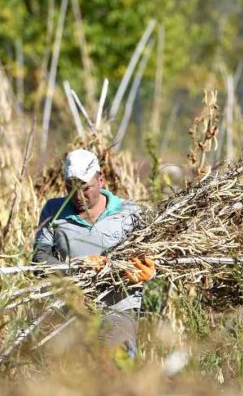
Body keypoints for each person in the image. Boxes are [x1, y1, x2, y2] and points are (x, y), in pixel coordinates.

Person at [32, 149, 155, 358]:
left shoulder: (130, 212)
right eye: (70, 188)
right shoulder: (53, 210)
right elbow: (39, 260)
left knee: (114, 370)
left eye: (85, 188)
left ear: (101, 179)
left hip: (118, 307)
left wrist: (149, 271)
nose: (78, 196)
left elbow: (154, 256)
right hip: (72, 309)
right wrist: (78, 268)